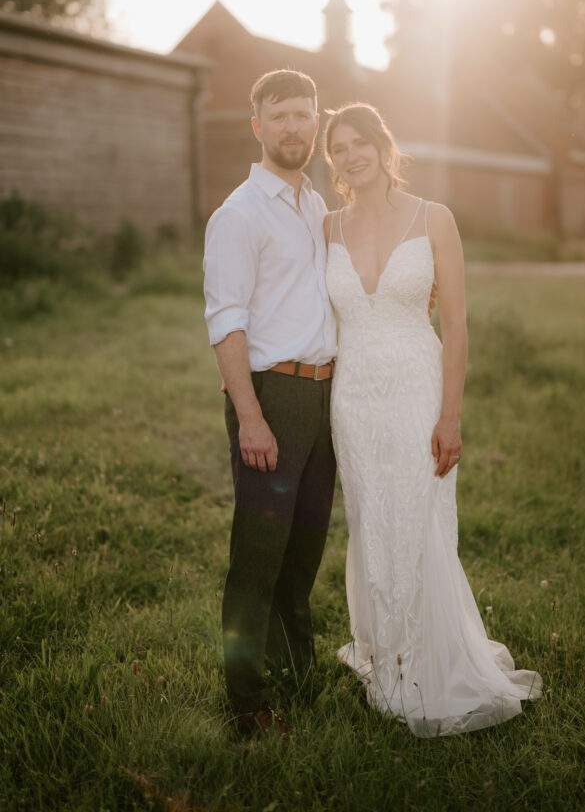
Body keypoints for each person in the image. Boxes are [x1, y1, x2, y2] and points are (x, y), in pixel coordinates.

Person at [323, 102, 542, 737]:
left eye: (359, 142)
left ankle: (432, 661)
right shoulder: (328, 228)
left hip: (418, 390)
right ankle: (388, 655)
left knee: (419, 519)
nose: (349, 155)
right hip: (355, 396)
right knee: (371, 522)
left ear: (382, 145)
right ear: (331, 162)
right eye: (337, 148)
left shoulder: (433, 218)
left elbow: (456, 324)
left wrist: (451, 414)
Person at [203, 69, 337, 737]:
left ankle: (299, 675)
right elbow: (224, 321)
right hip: (272, 395)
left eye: (303, 115)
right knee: (258, 553)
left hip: (324, 395)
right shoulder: (238, 215)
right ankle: (247, 703)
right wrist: (250, 415)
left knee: (303, 548)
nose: (292, 127)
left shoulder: (314, 204)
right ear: (257, 126)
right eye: (279, 116)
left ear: (317, 123)